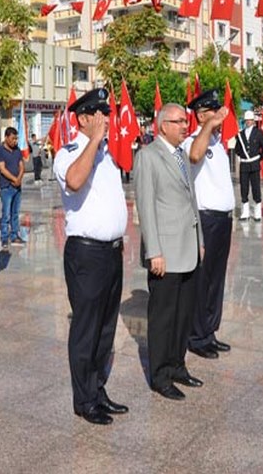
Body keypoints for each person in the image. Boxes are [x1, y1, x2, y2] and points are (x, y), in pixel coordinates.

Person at [54, 88, 129, 425]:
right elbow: (74, 181)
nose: (105, 119)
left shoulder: (108, 156)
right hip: (85, 254)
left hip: (112, 253)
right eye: (99, 114)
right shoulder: (69, 152)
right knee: (86, 329)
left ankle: (98, 390)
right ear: (83, 118)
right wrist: (94, 141)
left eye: (106, 114)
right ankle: (84, 400)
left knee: (105, 329)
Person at [134, 103, 204, 401]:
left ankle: (177, 365)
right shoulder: (147, 156)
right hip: (165, 251)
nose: (185, 126)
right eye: (178, 122)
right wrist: (154, 251)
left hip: (188, 246)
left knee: (183, 314)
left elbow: (192, 199)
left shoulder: (181, 156)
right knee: (163, 317)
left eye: (185, 121)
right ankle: (160, 375)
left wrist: (199, 237)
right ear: (162, 125)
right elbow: (146, 206)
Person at [184, 90, 234, 360]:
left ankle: (210, 330)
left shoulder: (217, 142)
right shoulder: (195, 139)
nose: (220, 115)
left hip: (223, 220)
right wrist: (208, 126)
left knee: (216, 278)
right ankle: (196, 335)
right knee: (202, 280)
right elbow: (193, 156)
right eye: (213, 112)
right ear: (202, 115)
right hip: (206, 219)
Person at [234, 110, 263, 222]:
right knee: (244, 188)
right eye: (246, 120)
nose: (248, 122)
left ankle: (257, 212)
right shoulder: (240, 134)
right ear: (244, 121)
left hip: (254, 163)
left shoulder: (258, 133)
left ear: (253, 121)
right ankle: (245, 212)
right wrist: (243, 155)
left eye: (250, 120)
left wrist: (259, 157)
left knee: (256, 188)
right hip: (244, 164)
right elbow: (237, 149)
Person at [0, 127, 25, 248]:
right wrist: (14, 179)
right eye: (12, 138)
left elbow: (21, 166)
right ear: (6, 137)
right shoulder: (0, 151)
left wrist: (19, 179)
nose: (15, 141)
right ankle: (4, 237)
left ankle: (14, 235)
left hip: (17, 187)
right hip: (6, 187)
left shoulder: (17, 150)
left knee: (15, 213)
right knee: (6, 213)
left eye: (16, 138)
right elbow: (2, 169)